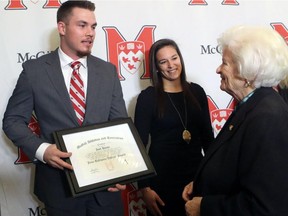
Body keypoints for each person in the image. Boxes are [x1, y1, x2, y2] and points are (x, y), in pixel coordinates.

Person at [2, 1, 128, 215]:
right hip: (59, 189)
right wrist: (43, 150)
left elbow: (120, 126)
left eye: (93, 26)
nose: (90, 33)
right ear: (62, 28)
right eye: (82, 25)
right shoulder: (34, 71)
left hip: (106, 189)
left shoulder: (108, 71)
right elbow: (12, 121)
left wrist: (122, 172)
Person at [182, 25, 288, 216]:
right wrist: (202, 183)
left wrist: (204, 207)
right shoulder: (252, 105)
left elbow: (265, 207)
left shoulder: (267, 117)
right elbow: (236, 167)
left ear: (247, 73)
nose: (218, 69)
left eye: (224, 63)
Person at [134, 38, 214, 216]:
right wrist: (144, 188)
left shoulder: (197, 92)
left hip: (196, 179)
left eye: (174, 58)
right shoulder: (148, 98)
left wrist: (213, 178)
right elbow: (138, 145)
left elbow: (208, 139)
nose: (171, 65)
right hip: (162, 182)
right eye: (163, 61)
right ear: (156, 67)